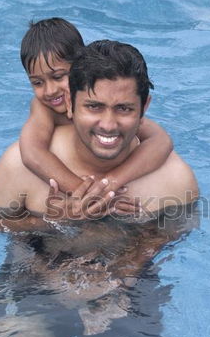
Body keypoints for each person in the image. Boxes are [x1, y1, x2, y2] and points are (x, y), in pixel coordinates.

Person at [0, 40, 199, 337]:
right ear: (71, 103)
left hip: (125, 285)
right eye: (94, 107)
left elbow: (176, 231)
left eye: (124, 109)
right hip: (34, 280)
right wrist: (53, 221)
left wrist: (120, 275)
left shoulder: (173, 178)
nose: (108, 125)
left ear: (144, 109)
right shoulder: (21, 165)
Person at [17, 18, 174, 202]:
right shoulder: (43, 108)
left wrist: (111, 184)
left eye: (58, 77)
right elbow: (32, 153)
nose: (50, 91)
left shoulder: (110, 110)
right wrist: (84, 194)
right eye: (37, 82)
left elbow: (161, 141)